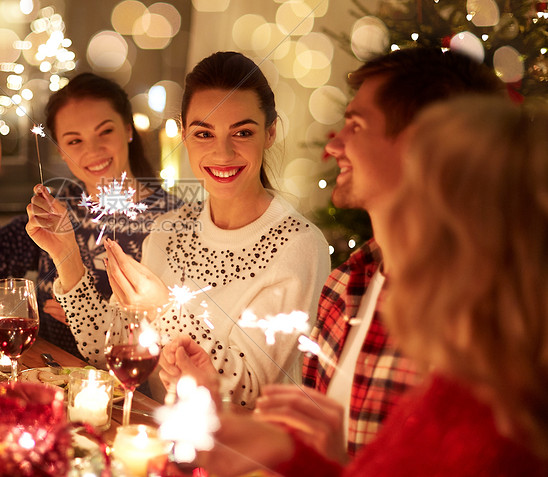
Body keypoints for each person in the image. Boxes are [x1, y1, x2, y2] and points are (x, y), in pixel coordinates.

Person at [161, 47, 508, 460]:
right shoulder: (348, 284)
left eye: (356, 127)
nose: (335, 144)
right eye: (202, 133)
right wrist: (215, 406)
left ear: (421, 147)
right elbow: (327, 456)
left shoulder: (483, 315)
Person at [201, 96, 548, 476]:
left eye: (412, 196)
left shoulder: (493, 421)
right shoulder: (459, 377)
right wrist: (299, 454)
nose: (392, 224)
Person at [34, 52, 330, 406]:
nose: (222, 152)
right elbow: (108, 350)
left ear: (270, 133)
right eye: (204, 133)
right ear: (185, 136)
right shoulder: (170, 229)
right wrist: (66, 254)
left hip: (236, 453)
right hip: (161, 437)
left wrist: (163, 311)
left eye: (243, 132)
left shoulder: (298, 244)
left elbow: (248, 395)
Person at [0, 72, 180, 357]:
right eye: (74, 141)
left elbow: (180, 330)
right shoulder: (59, 207)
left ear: (127, 130)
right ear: (62, 151)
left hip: (130, 388)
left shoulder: (172, 218)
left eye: (105, 132)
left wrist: (90, 316)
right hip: (49, 375)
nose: (93, 149)